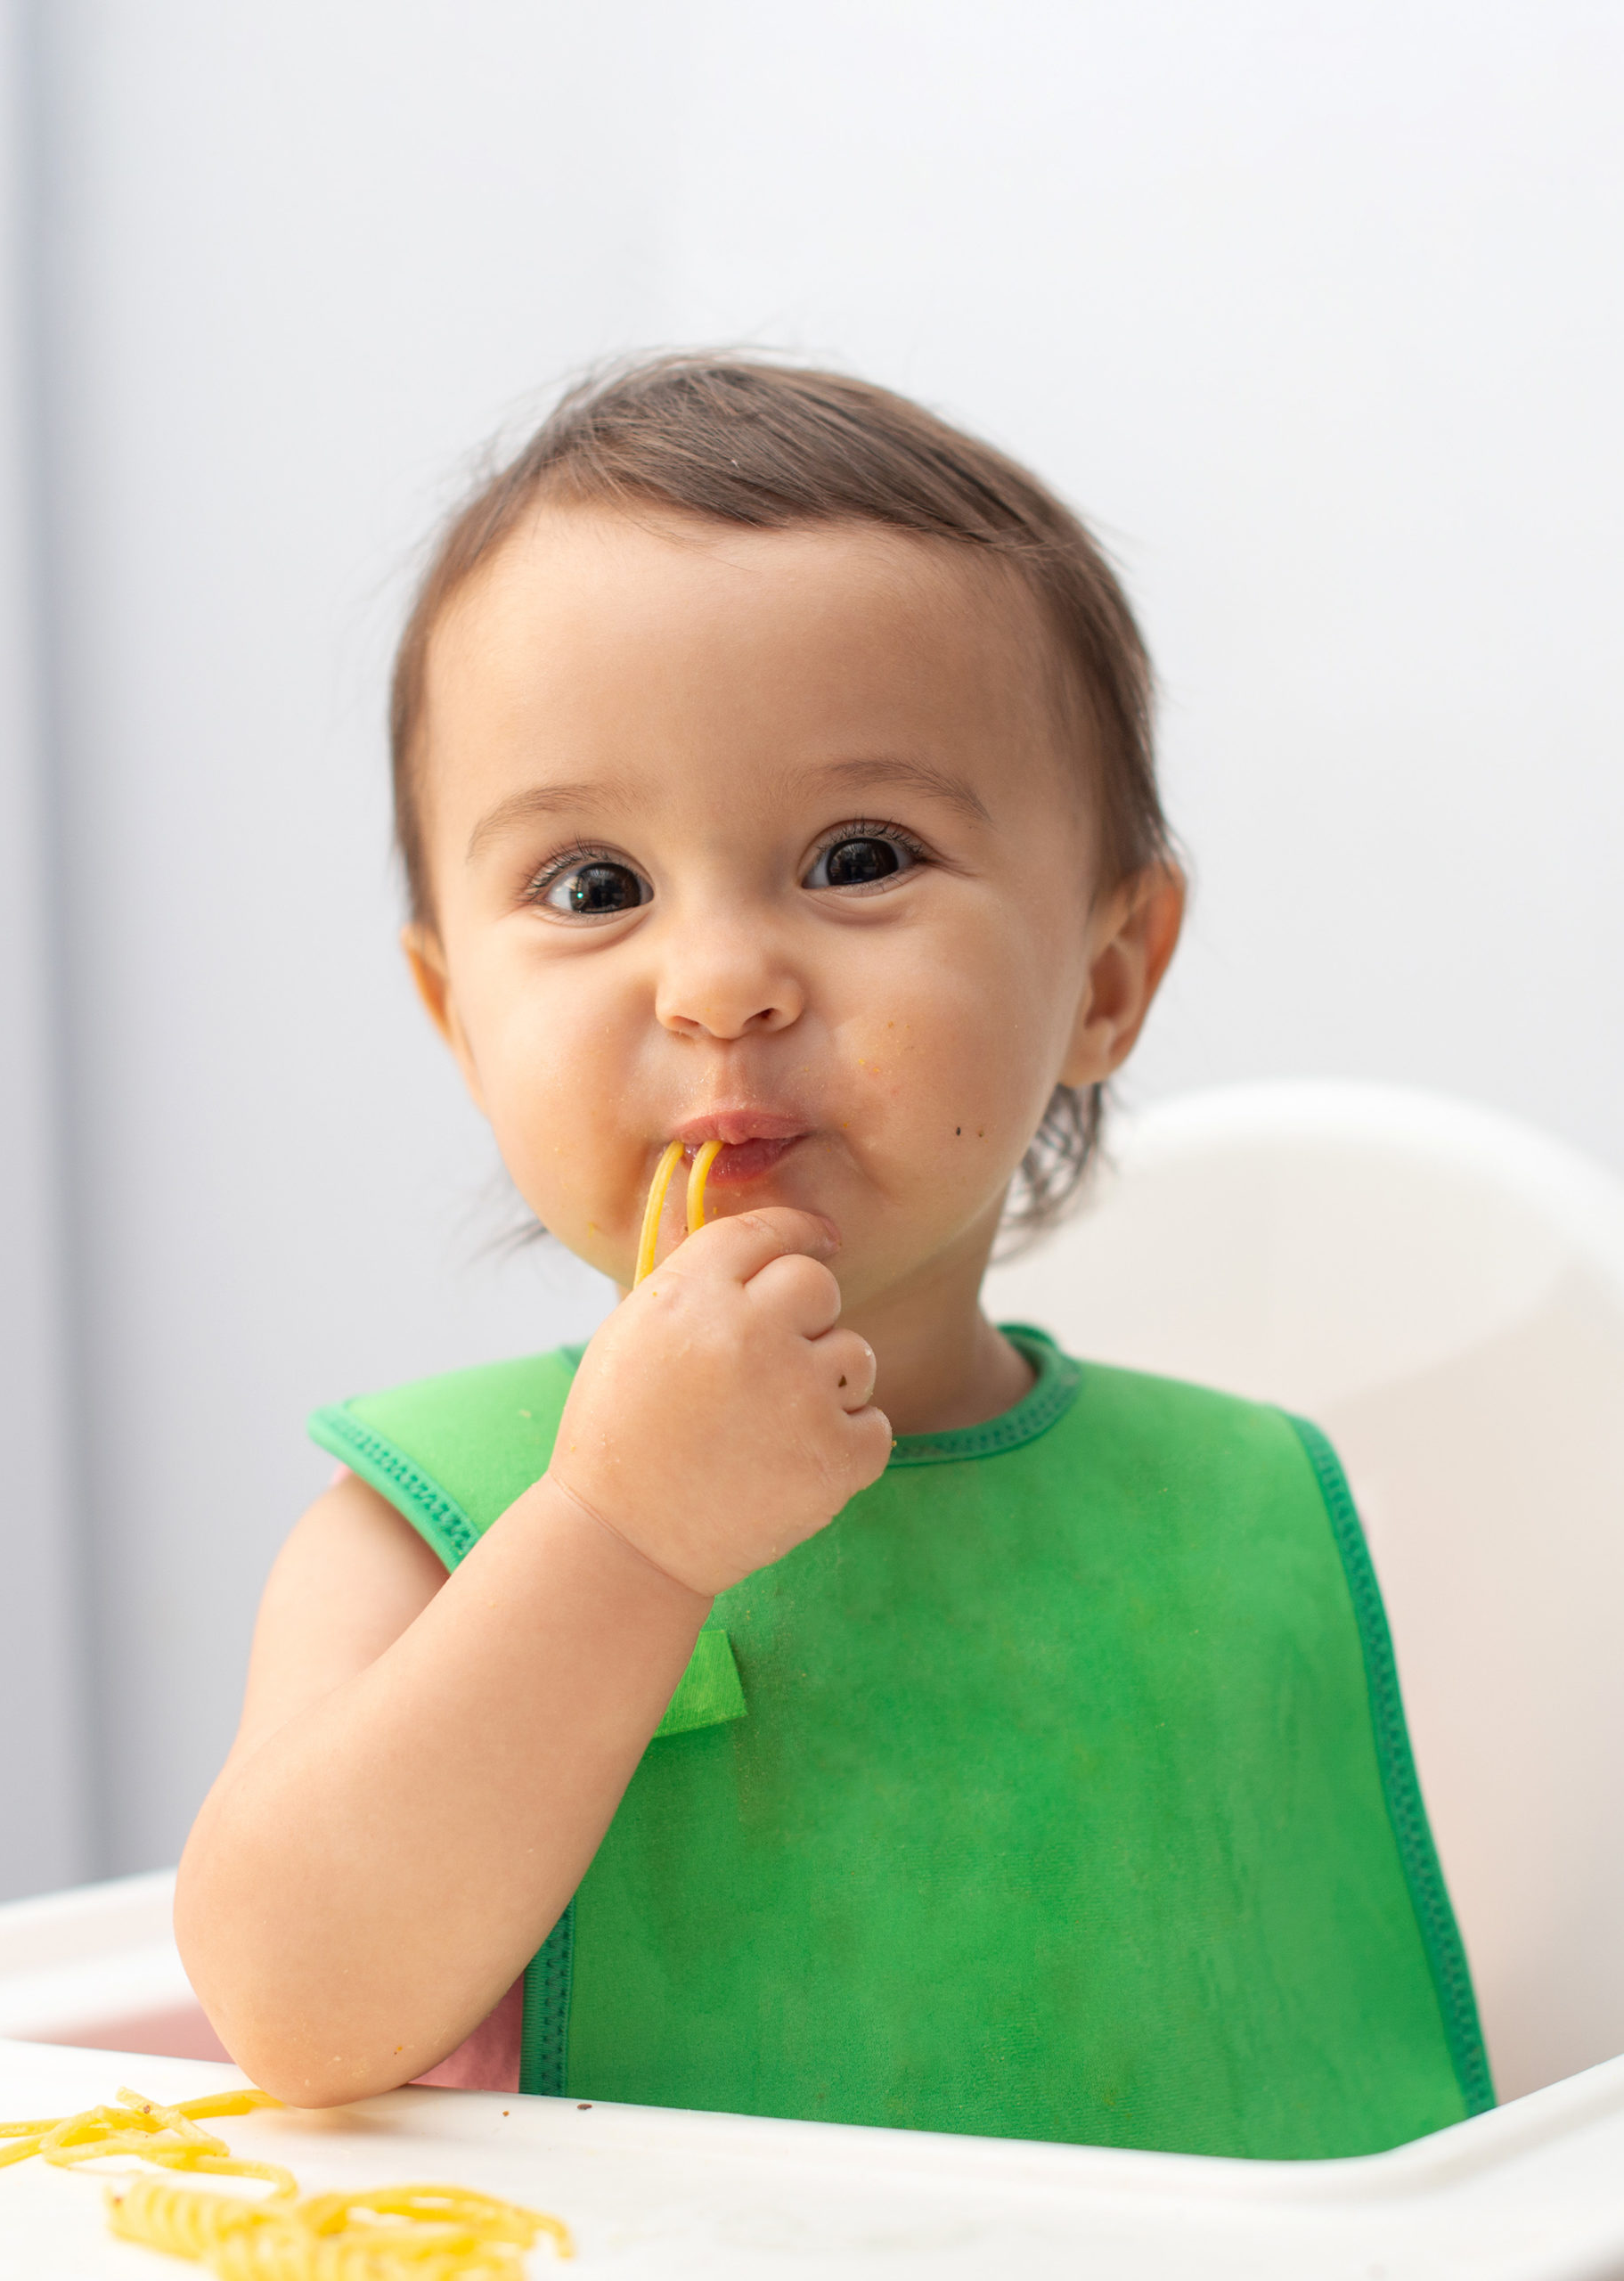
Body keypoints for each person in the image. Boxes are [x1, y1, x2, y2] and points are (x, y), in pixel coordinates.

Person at [175, 357, 1491, 2157]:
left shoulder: (1244, 1504)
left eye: (855, 855)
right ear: (457, 1016)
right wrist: (619, 1538)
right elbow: (290, 2002)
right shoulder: (436, 1518)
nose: (717, 977)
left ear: (1105, 976)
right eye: (590, 885)